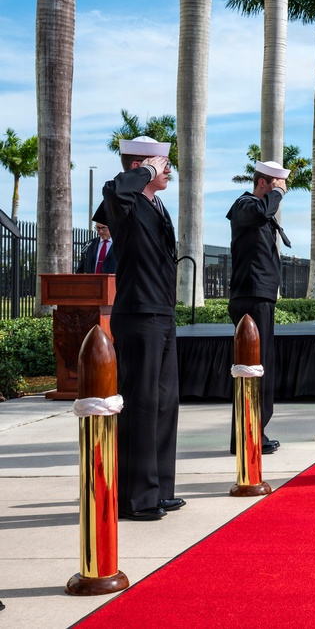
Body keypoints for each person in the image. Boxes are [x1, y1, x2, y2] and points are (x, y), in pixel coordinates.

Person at [93, 136, 183, 521]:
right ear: (140, 166)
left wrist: (149, 172)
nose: (168, 170)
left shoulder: (156, 204)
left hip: (162, 312)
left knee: (164, 403)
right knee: (142, 403)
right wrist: (144, 170)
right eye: (162, 163)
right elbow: (113, 189)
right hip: (138, 313)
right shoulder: (122, 201)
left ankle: (159, 489)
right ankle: (135, 497)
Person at [227, 159, 291, 456]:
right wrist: (275, 194)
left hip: (260, 295)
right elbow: (261, 211)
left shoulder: (256, 209)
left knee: (258, 367)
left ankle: (254, 430)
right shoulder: (245, 204)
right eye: (276, 184)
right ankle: (250, 432)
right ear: (263, 182)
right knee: (254, 367)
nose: (281, 191)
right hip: (252, 295)